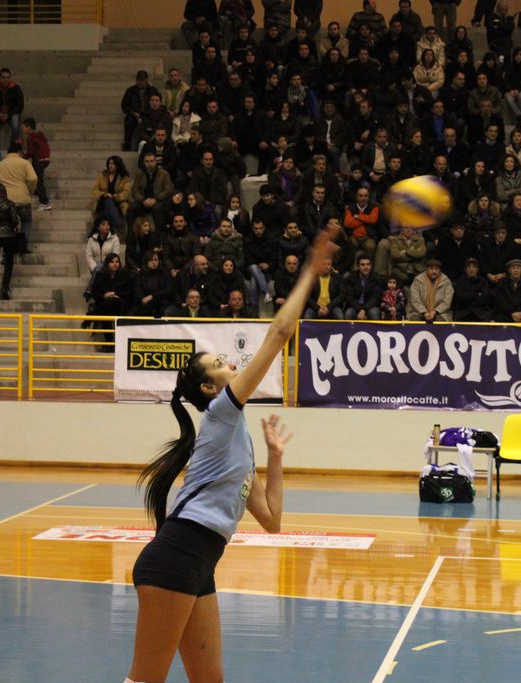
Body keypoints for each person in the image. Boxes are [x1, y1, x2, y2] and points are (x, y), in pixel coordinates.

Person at [127, 229, 337, 683]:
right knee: (145, 679)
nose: (230, 364)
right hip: (175, 557)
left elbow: (272, 521)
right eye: (220, 364)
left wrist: (275, 457)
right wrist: (309, 272)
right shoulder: (221, 413)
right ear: (209, 387)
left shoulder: (236, 443)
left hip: (199, 564)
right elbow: (280, 333)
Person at [0, 140, 37, 253]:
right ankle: (22, 244)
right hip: (22, 200)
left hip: (5, 202)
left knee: (8, 223)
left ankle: (9, 248)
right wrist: (30, 191)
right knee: (26, 220)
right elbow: (33, 178)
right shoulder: (25, 163)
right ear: (19, 151)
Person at [0, 67, 24, 145]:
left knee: (15, 120)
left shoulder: (16, 88)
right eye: (3, 77)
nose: (5, 80)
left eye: (7, 77)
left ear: (10, 78)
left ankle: (14, 145)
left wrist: (9, 114)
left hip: (12, 114)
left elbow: (20, 105)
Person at [407, 257, 453, 322]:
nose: (434, 271)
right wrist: (424, 312)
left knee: (440, 321)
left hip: (440, 313)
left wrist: (435, 312)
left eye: (436, 269)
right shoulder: (418, 280)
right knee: (415, 320)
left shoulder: (446, 281)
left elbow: (447, 301)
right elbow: (415, 300)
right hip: (418, 312)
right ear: (426, 269)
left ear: (440, 270)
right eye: (431, 269)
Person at [21, 118, 51, 211]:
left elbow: (30, 152)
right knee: (37, 179)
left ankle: (44, 202)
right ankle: (36, 193)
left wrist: (22, 156)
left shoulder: (30, 138)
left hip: (38, 161)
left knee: (38, 182)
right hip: (44, 160)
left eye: (24, 127)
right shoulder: (40, 136)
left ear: (29, 127)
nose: (23, 129)